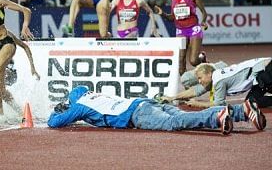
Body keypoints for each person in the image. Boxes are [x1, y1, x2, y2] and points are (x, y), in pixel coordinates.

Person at [47, 86, 266, 135]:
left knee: (174, 124)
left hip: (137, 114)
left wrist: (56, 111)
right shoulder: (93, 95)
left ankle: (215, 117)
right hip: (143, 104)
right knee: (180, 116)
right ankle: (242, 111)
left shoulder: (79, 106)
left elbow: (55, 123)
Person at [154, 0, 208, 75]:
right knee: (180, 62)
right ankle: (186, 85)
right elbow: (172, 18)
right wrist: (162, 14)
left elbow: (204, 12)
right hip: (180, 31)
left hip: (193, 29)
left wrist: (203, 21)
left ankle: (202, 58)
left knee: (193, 61)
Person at [181, 58, 272, 109]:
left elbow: (218, 104)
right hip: (262, 73)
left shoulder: (219, 80)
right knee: (251, 102)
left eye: (200, 78)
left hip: (266, 71)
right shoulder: (217, 74)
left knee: (264, 82)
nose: (199, 81)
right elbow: (197, 90)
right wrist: (173, 97)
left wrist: (197, 104)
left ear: (209, 73)